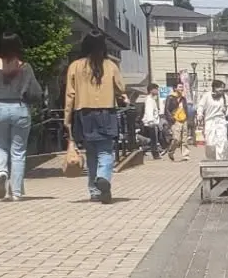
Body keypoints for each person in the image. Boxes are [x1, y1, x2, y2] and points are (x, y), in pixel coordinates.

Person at [64, 30, 128, 204]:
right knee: (106, 151)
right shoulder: (111, 65)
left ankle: (94, 191)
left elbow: (70, 95)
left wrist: (67, 119)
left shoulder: (75, 66)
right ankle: (103, 178)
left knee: (91, 152)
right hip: (106, 112)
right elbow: (121, 87)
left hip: (83, 113)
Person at [0, 33, 42, 201]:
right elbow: (36, 92)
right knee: (18, 152)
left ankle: (1, 171)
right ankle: (16, 192)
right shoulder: (25, 67)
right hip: (20, 108)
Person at [197, 80, 228, 160]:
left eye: (223, 88)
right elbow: (200, 106)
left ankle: (220, 160)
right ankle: (211, 160)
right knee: (210, 142)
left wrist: (227, 112)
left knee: (222, 141)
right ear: (215, 87)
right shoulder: (207, 96)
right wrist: (200, 114)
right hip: (210, 121)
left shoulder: (225, 96)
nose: (222, 90)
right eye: (220, 88)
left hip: (221, 121)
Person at [163, 84, 191, 161]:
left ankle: (185, 155)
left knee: (184, 139)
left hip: (184, 119)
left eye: (182, 87)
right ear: (175, 88)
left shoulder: (183, 98)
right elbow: (167, 110)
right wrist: (171, 119)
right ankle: (171, 151)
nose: (181, 89)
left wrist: (187, 119)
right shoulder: (170, 97)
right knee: (176, 139)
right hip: (175, 120)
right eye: (180, 87)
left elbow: (186, 109)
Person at [140, 84, 165, 159]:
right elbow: (149, 111)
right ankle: (155, 154)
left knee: (152, 139)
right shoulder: (149, 100)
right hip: (150, 123)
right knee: (153, 139)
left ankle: (144, 150)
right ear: (151, 90)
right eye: (156, 89)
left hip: (152, 122)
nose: (157, 91)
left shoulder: (152, 99)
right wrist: (151, 121)